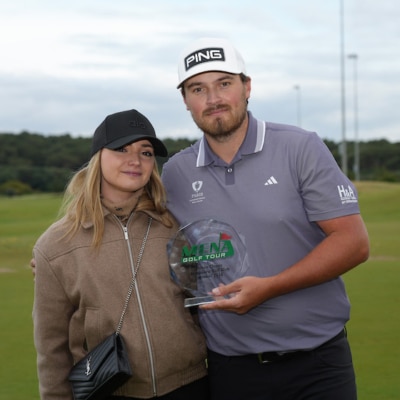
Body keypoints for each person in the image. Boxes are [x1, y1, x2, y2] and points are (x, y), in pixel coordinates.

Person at [161, 37, 370, 400]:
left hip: (317, 365)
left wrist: (270, 287)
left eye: (224, 84)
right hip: (231, 370)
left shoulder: (299, 147)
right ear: (185, 100)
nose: (213, 99)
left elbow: (353, 243)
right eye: (198, 89)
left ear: (247, 87)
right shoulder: (176, 172)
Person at [32, 109, 209, 400]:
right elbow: (52, 348)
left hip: (190, 386)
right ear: (97, 157)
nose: (135, 160)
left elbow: (200, 301)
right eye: (121, 149)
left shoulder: (177, 226)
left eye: (146, 152)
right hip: (110, 390)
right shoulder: (55, 245)